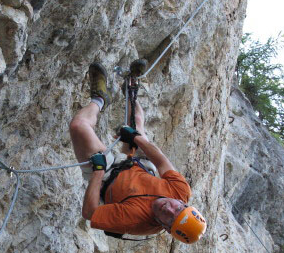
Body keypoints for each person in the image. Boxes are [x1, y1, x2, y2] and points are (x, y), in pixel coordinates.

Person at [68, 62, 207, 243]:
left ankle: (99, 99)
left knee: (78, 126)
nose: (169, 209)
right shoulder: (181, 191)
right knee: (137, 121)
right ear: (183, 203)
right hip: (140, 166)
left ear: (164, 228)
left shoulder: (136, 221)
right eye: (178, 209)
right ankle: (131, 88)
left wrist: (98, 172)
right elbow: (161, 161)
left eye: (171, 219)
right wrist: (135, 137)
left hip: (107, 175)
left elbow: (89, 212)